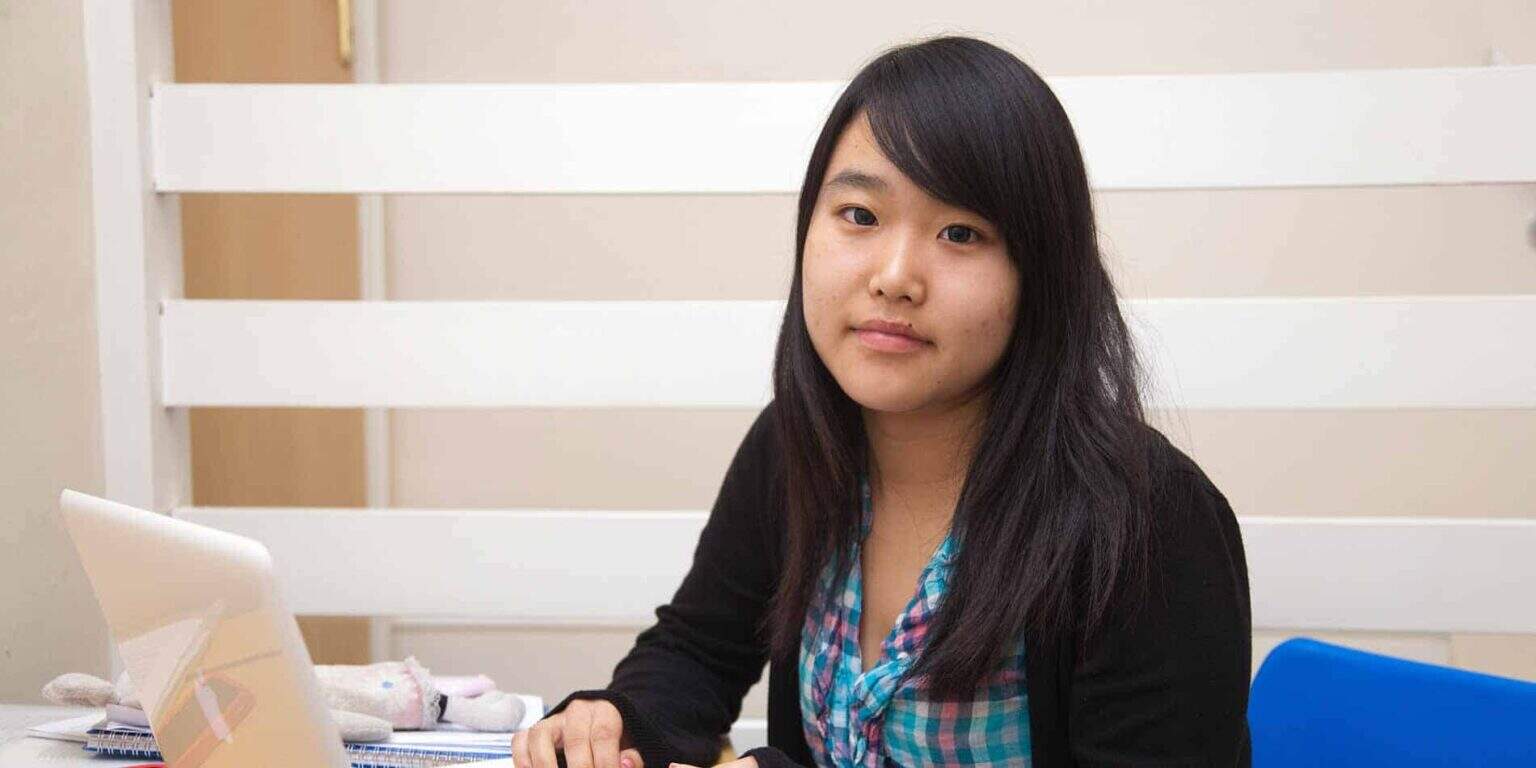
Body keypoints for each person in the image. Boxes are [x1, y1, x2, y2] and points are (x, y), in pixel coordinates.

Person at [511, 34, 1251, 768]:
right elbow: (698, 650)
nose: (895, 276)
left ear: (1041, 274)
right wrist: (615, 720)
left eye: (960, 233)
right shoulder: (796, 444)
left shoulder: (1148, 523)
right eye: (860, 216)